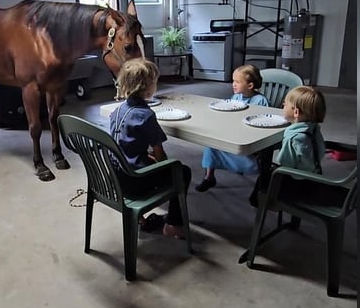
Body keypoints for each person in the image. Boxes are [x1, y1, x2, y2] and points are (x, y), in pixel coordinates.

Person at [109, 59, 192, 239]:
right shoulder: (146, 116)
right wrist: (163, 164)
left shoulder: (117, 111)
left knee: (153, 162)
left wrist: (146, 158)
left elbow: (126, 145)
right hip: (135, 182)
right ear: (148, 88)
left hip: (114, 177)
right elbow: (160, 155)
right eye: (155, 82)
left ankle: (143, 221)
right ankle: (173, 225)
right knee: (181, 171)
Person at [248, 85, 327, 206]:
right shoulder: (314, 129)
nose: (282, 106)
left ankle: (259, 203)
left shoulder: (294, 137)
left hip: (296, 184)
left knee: (264, 176)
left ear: (296, 112)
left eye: (284, 104)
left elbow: (285, 163)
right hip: (314, 176)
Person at [195, 64, 270, 192]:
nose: (233, 84)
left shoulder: (260, 101)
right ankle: (209, 176)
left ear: (250, 85)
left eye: (237, 82)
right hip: (232, 134)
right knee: (211, 144)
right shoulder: (236, 97)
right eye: (233, 81)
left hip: (249, 140)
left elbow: (264, 122)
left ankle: (259, 181)